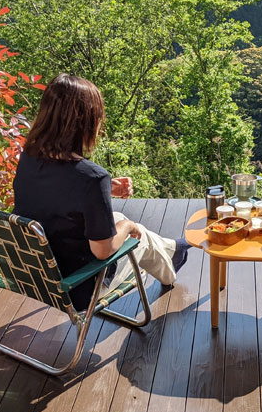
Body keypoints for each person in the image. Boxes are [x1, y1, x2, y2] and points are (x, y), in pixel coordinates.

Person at [12, 73, 190, 311]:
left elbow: (55, 199)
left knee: (118, 219)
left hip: (34, 274)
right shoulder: (91, 178)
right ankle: (170, 269)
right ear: (85, 122)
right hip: (78, 287)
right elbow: (102, 251)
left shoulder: (29, 157)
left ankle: (171, 248)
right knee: (135, 232)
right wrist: (129, 228)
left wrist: (106, 190)